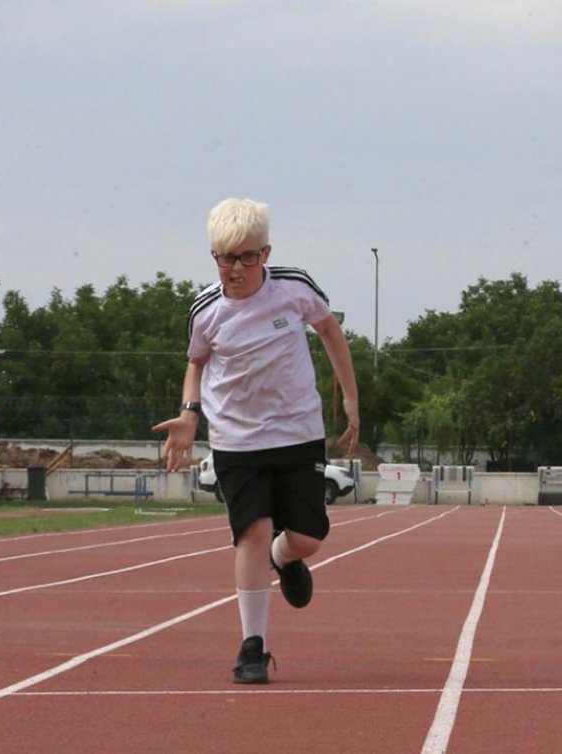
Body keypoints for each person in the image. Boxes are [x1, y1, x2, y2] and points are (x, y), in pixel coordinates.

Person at [153, 198, 360, 685]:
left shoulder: (295, 288)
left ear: (265, 253)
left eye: (246, 257)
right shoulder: (206, 310)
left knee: (309, 537)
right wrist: (189, 414)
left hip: (297, 431)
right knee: (252, 531)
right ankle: (253, 647)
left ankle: (282, 558)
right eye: (224, 257)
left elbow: (330, 329)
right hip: (236, 437)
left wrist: (350, 399)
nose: (235, 269)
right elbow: (196, 364)